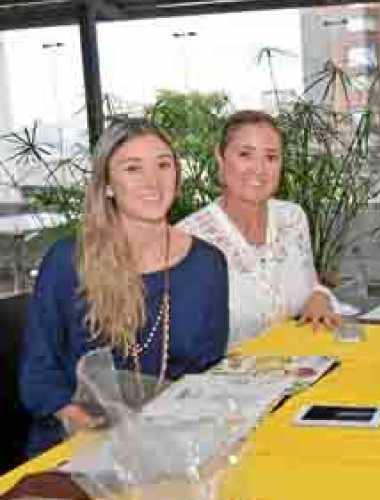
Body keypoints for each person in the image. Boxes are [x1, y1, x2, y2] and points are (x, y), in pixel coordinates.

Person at [19, 119, 230, 457]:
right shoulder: (67, 262)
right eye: (133, 168)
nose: (153, 181)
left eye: (163, 165)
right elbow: (38, 375)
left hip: (172, 443)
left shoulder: (208, 265)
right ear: (107, 186)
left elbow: (207, 373)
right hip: (77, 444)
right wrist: (97, 435)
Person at [179, 110, 339, 348]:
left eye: (271, 157)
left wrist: (320, 296)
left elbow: (311, 285)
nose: (259, 169)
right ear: (220, 158)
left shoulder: (292, 218)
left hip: (302, 368)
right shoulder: (188, 238)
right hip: (226, 380)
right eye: (245, 155)